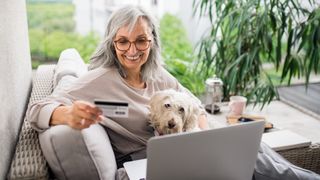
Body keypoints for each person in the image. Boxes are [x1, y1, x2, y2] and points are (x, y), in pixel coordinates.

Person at [28, 5, 319, 180]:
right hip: (151, 161)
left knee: (255, 147)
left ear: (152, 41)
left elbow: (193, 104)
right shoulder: (99, 79)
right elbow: (37, 109)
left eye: (141, 40)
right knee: (258, 162)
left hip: (188, 147)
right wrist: (67, 114)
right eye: (123, 42)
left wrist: (210, 136)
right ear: (112, 43)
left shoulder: (157, 76)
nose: (132, 50)